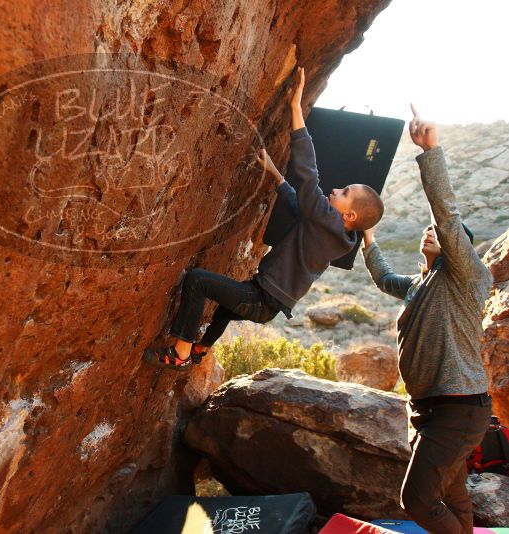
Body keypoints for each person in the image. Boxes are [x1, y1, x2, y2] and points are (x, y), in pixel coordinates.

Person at [144, 67, 384, 370]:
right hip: (266, 301)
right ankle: (202, 349)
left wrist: (295, 108)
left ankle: (180, 353)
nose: (336, 189)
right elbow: (299, 207)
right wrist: (275, 174)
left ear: (349, 214)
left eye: (344, 191)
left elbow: (309, 173)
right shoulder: (337, 235)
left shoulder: (326, 219)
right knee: (225, 310)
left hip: (261, 299)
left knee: (197, 280)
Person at [361, 105, 492, 534]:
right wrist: (368, 238)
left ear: (458, 250)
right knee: (453, 496)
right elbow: (383, 278)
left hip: (458, 409)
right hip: (433, 411)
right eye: (427, 230)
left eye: (437, 233)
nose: (429, 232)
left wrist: (430, 152)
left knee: (416, 499)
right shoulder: (421, 287)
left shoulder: (467, 276)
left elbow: (448, 217)